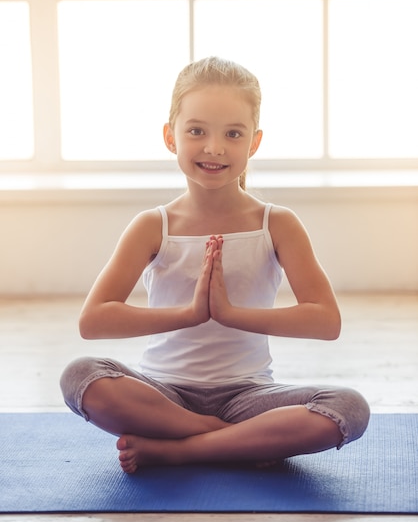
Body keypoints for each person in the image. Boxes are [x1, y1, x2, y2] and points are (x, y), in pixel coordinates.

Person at [60, 56, 370, 474]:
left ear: (254, 143)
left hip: (247, 396)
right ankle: (221, 436)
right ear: (171, 137)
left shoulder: (276, 223)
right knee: (81, 376)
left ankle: (178, 450)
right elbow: (93, 321)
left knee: (348, 407)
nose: (214, 147)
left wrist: (230, 314)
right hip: (163, 394)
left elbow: (325, 321)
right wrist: (190, 315)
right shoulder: (154, 225)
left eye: (233, 133)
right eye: (197, 131)